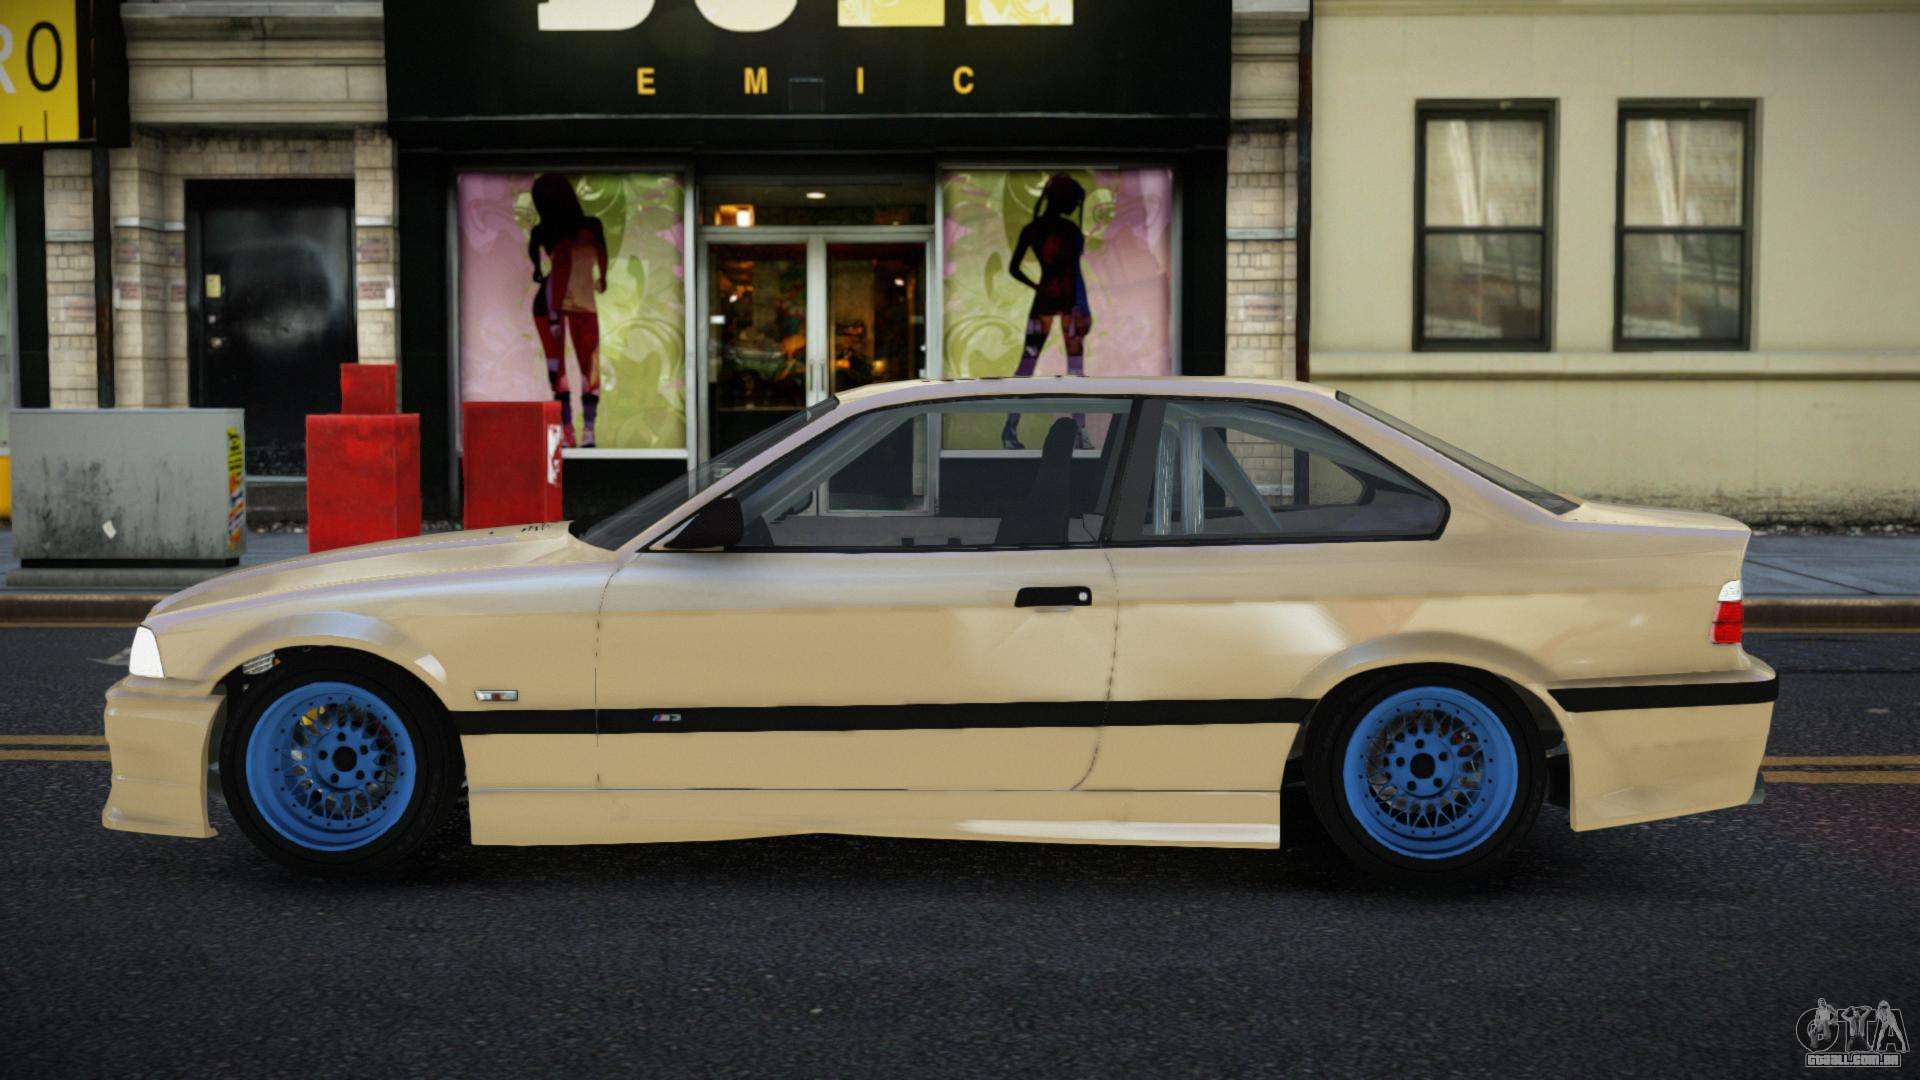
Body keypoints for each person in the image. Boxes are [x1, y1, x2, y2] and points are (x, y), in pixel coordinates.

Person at [1002, 174, 1093, 451]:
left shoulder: (1033, 229)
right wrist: (1083, 307)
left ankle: (1009, 430)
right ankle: (1080, 433)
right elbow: (1075, 273)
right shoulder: (1069, 230)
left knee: (1028, 365)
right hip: (1069, 302)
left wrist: (1037, 286)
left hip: (1048, 302)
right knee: (1074, 368)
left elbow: (1014, 268)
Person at [527, 174, 609, 448]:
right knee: (564, 369)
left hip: (574, 304)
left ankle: (582, 430)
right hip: (555, 305)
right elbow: (546, 267)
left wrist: (602, 277)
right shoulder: (555, 230)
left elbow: (599, 258)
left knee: (583, 367)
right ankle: (573, 430)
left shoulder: (555, 230)